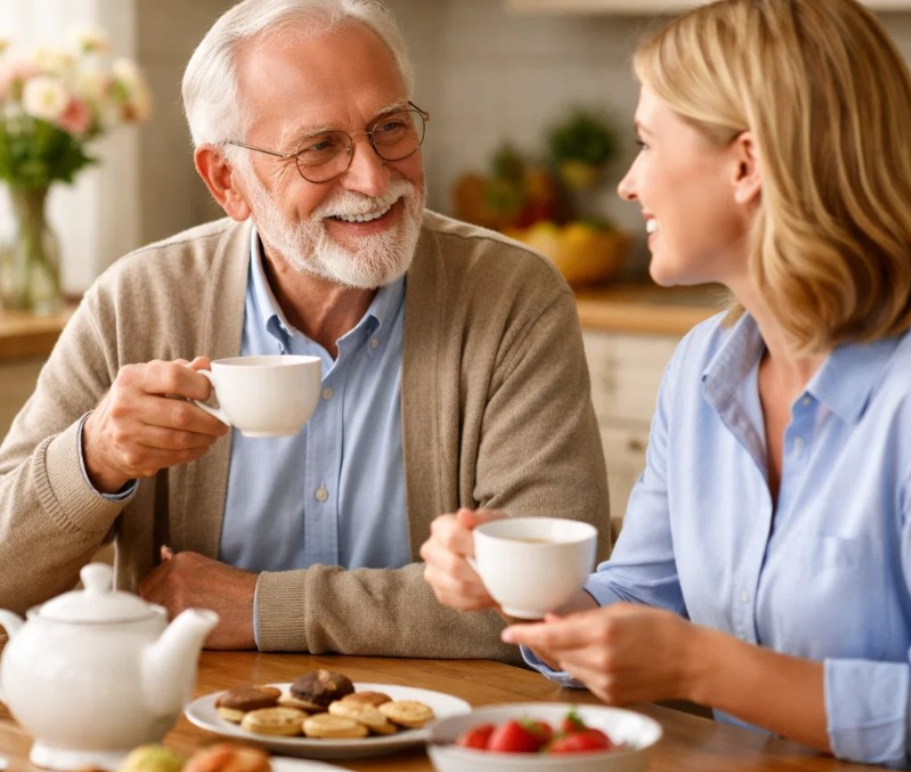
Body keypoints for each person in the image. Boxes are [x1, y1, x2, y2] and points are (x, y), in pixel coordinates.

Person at [0, 0, 610, 661]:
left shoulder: (513, 296)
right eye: (320, 147)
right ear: (227, 180)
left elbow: (556, 601)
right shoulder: (138, 301)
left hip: (449, 718)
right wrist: (95, 458)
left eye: (390, 128)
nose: (373, 179)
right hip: (190, 719)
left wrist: (262, 606)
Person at [421, 0, 911, 765]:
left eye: (647, 143)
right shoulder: (701, 369)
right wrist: (526, 585)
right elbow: (640, 597)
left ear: (745, 164)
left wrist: (697, 666)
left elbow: (686, 657)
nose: (626, 184)